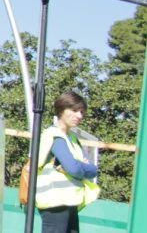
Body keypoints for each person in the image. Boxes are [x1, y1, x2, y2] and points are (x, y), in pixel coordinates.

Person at [36, 91, 100, 233]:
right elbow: (75, 169)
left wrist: (82, 167)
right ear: (61, 110)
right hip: (54, 202)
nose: (79, 116)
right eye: (74, 110)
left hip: (70, 201)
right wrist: (81, 167)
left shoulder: (71, 138)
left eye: (82, 112)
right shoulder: (55, 135)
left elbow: (93, 170)